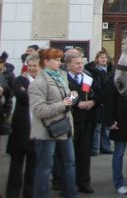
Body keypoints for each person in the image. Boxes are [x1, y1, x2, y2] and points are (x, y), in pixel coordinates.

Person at [29, 47, 78, 198]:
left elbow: (66, 97)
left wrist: (72, 96)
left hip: (65, 127)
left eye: (60, 59)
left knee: (69, 163)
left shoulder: (61, 76)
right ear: (45, 61)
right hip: (46, 130)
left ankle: (71, 193)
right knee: (45, 167)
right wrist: (62, 104)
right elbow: (39, 110)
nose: (59, 62)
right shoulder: (39, 82)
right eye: (56, 60)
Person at [6, 53, 39, 198]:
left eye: (34, 66)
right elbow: (21, 96)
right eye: (29, 66)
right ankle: (12, 194)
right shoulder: (20, 80)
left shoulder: (42, 81)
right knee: (16, 165)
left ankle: (29, 193)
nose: (31, 68)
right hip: (20, 131)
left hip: (36, 130)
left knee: (33, 166)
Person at [67, 52, 99, 194]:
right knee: (69, 156)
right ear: (68, 64)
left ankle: (84, 182)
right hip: (71, 122)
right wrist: (77, 104)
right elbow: (64, 96)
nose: (80, 66)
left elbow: (98, 93)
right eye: (76, 63)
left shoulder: (88, 78)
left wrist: (93, 102)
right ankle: (68, 184)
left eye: (81, 63)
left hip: (86, 121)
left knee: (84, 154)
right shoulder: (64, 78)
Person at [85, 49, 113, 155]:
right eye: (101, 57)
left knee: (106, 126)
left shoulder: (110, 70)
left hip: (107, 102)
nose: (104, 59)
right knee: (96, 126)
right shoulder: (92, 71)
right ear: (97, 59)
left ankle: (105, 147)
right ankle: (95, 148)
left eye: (105, 58)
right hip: (97, 101)